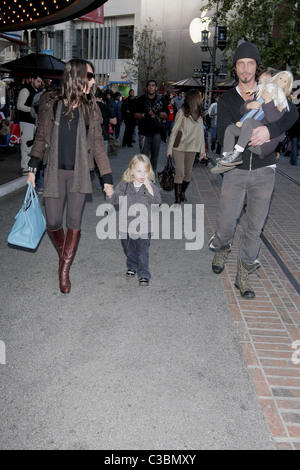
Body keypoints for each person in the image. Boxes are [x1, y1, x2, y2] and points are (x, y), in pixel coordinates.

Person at [209, 41, 298, 298]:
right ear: (235, 68)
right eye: (240, 63)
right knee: (227, 222)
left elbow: (291, 116)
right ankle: (222, 247)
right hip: (235, 170)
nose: (245, 68)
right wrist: (251, 134)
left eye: (250, 63)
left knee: (254, 226)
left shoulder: (270, 90)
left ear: (256, 67)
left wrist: (268, 130)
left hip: (264, 171)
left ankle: (243, 273)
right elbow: (226, 130)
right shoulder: (227, 99)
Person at [26, 59, 113, 294]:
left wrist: (107, 178)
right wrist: (33, 169)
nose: (93, 80)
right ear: (77, 77)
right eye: (90, 76)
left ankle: (63, 270)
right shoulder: (52, 104)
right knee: (53, 222)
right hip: (54, 172)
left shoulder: (90, 109)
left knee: (73, 221)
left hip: (79, 174)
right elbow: (41, 138)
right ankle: (65, 254)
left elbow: (97, 146)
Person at [219, 70, 294, 167]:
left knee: (249, 122)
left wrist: (267, 102)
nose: (263, 84)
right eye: (260, 82)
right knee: (231, 129)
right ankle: (227, 156)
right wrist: (249, 106)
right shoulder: (260, 95)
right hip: (250, 135)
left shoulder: (281, 100)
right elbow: (242, 111)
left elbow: (273, 119)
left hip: (262, 146)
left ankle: (237, 154)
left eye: (265, 81)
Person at [106, 154, 161, 286]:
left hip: (144, 227)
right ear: (131, 171)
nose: (143, 174)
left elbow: (156, 202)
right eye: (139, 171)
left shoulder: (151, 187)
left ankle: (143, 274)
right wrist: (109, 193)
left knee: (142, 252)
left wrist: (148, 187)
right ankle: (132, 266)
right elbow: (114, 201)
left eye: (145, 171)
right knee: (129, 250)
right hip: (126, 226)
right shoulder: (124, 186)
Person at [167, 89, 205, 203]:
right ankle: (177, 199)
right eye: (200, 97)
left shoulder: (200, 114)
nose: (202, 99)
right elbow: (174, 131)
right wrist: (169, 149)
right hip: (180, 146)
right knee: (180, 173)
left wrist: (202, 150)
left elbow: (201, 133)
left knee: (188, 174)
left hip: (192, 147)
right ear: (195, 99)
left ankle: (182, 192)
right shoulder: (182, 112)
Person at [133, 79, 169, 174]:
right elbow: (135, 114)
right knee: (144, 156)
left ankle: (152, 174)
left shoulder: (161, 99)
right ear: (146, 87)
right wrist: (144, 114)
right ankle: (144, 175)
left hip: (157, 131)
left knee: (155, 155)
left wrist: (157, 113)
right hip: (144, 131)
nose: (151, 87)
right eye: (149, 85)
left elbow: (166, 114)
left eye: (153, 85)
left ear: (156, 88)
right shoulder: (140, 100)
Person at [17, 73, 43, 175]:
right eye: (38, 81)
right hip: (26, 121)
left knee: (32, 145)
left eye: (40, 82)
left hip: (34, 121)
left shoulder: (37, 91)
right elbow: (20, 106)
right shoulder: (25, 91)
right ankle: (24, 166)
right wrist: (32, 110)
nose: (39, 84)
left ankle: (29, 165)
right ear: (32, 79)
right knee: (26, 144)